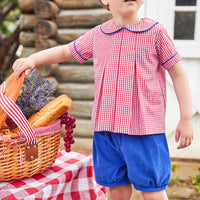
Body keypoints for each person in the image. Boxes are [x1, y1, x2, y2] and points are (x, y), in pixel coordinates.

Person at [13, 0, 193, 199]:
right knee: (116, 189)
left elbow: (178, 74)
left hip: (144, 131)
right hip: (106, 132)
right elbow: (65, 51)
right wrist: (32, 59)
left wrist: (186, 118)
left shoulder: (155, 32)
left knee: (152, 191)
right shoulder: (98, 35)